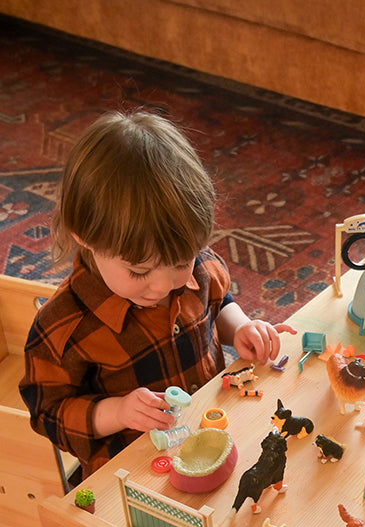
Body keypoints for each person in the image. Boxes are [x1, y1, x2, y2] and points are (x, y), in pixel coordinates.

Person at [20, 109, 296, 476]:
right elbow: (48, 412)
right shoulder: (63, 325)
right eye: (139, 271)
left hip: (211, 433)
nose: (165, 285)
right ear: (84, 236)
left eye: (181, 263)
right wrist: (117, 412)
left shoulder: (195, 264)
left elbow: (218, 301)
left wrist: (242, 326)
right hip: (134, 473)